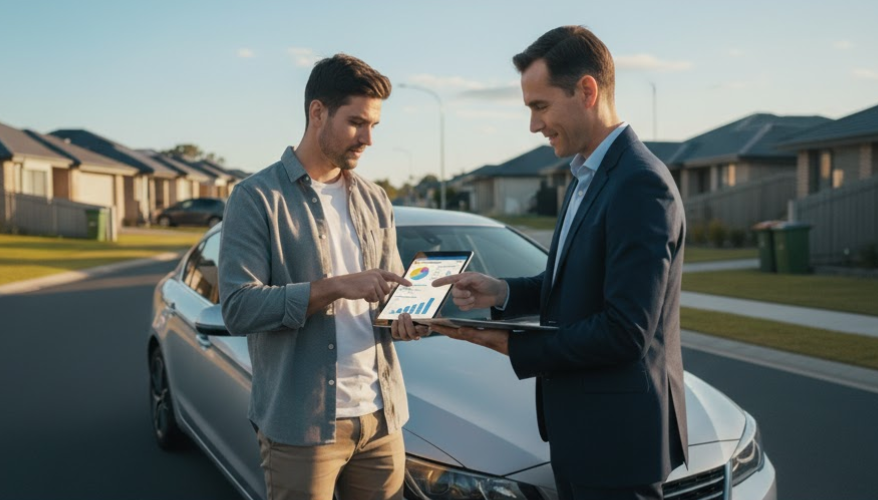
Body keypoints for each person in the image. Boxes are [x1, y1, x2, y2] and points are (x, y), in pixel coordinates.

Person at [393, 26, 688, 500]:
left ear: (587, 91)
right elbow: (574, 284)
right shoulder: (583, 175)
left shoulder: (639, 184)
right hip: (578, 434)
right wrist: (504, 293)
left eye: (540, 106)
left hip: (617, 444)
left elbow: (625, 331)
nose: (534, 125)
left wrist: (510, 344)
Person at [219, 53, 415, 500]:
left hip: (383, 420)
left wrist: (414, 315)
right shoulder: (255, 198)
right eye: (356, 123)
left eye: (374, 126)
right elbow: (238, 307)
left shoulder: (376, 198)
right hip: (302, 428)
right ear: (317, 112)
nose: (367, 138)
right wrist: (336, 286)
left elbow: (388, 301)